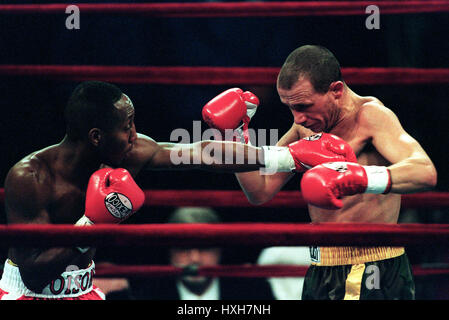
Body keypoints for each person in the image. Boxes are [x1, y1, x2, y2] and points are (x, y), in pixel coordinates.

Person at [1, 80, 356, 300]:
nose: (134, 134)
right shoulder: (30, 178)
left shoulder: (130, 150)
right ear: (96, 136)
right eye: (126, 127)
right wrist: (90, 225)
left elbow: (201, 152)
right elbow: (34, 272)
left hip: (84, 288)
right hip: (27, 293)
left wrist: (286, 156)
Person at [202, 45, 437, 300]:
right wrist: (236, 137)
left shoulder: (370, 116)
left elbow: (424, 172)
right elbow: (260, 191)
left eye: (304, 105)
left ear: (336, 90)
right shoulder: (305, 125)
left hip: (371, 267)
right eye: (290, 107)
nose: (298, 117)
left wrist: (359, 178)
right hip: (320, 267)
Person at [130, 207, 274, 300]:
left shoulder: (252, 291)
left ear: (219, 250)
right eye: (184, 248)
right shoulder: (145, 294)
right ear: (170, 251)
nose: (195, 258)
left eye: (204, 248)